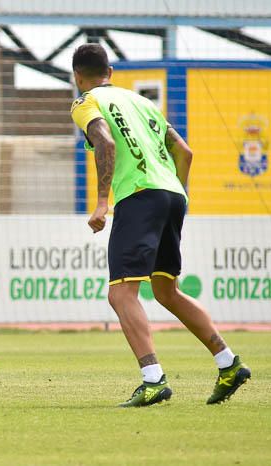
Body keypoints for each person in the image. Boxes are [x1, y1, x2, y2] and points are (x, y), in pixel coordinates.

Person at [70, 43, 251, 407]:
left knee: (121, 293)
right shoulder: (142, 102)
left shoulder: (85, 102)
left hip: (139, 196)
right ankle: (228, 363)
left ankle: (153, 380)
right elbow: (184, 151)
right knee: (166, 291)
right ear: (111, 73)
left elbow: (104, 141)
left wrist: (103, 202)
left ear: (78, 77)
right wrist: (177, 195)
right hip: (172, 193)